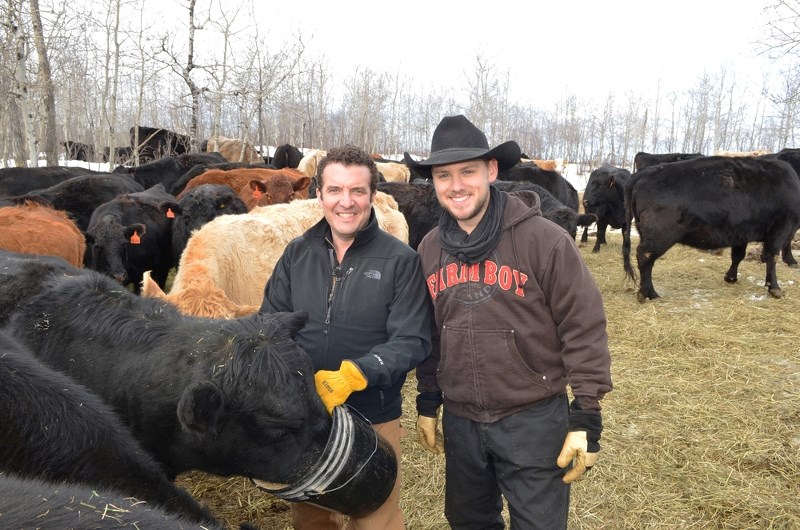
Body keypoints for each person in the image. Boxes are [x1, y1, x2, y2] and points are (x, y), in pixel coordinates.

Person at [403, 115, 613, 529]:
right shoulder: (430, 248)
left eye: (468, 171)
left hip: (531, 417)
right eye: (444, 175)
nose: (456, 185)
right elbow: (431, 331)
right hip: (461, 420)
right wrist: (429, 399)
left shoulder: (544, 241)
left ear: (492, 170)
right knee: (468, 520)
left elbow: (583, 325)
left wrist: (587, 415)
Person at [259, 144, 432, 530]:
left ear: (373, 196)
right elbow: (269, 328)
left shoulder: (399, 261)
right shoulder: (297, 254)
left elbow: (413, 340)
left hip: (373, 416)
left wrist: (356, 374)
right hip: (309, 417)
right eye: (335, 190)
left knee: (375, 517)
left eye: (357, 191)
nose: (346, 202)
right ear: (318, 194)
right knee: (311, 516)